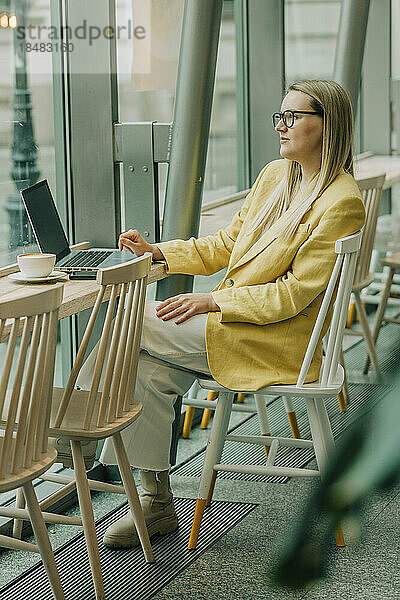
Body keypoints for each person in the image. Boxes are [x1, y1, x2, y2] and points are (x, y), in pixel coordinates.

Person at [79, 79, 365, 548]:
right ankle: (152, 501)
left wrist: (213, 300)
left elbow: (291, 296)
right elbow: (227, 244)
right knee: (147, 368)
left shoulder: (341, 202)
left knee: (129, 322)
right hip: (243, 324)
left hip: (280, 339)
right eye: (280, 116)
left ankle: (76, 439)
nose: (282, 126)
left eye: (294, 117)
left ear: (327, 125)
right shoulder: (277, 175)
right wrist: (158, 255)